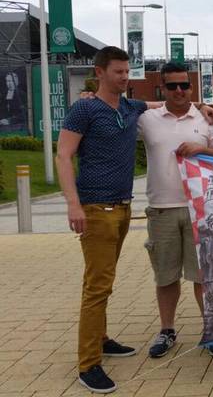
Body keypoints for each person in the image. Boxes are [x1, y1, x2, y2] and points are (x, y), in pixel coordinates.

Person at [56, 46, 145, 394]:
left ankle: (102, 338)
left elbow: (157, 106)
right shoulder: (85, 109)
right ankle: (88, 363)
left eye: (127, 71)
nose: (125, 77)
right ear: (100, 72)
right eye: (118, 72)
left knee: (103, 281)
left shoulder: (127, 107)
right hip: (95, 209)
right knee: (97, 287)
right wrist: (73, 204)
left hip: (123, 209)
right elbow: (63, 155)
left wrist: (202, 107)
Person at [138, 62, 213, 359]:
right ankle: (167, 330)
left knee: (203, 276)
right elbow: (119, 106)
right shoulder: (147, 119)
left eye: (184, 85)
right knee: (165, 277)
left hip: (201, 208)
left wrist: (201, 148)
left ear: (191, 86)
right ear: (162, 88)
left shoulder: (206, 120)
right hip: (162, 209)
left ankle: (212, 329)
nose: (179, 91)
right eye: (172, 86)